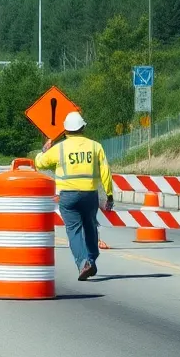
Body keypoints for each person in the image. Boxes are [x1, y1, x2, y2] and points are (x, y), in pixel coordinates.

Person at [34, 111, 113, 280]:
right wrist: (109, 194)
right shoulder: (95, 146)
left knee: (74, 230)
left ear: (66, 130)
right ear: (83, 127)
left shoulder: (60, 148)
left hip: (68, 196)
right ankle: (91, 258)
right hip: (90, 194)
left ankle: (84, 263)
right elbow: (105, 171)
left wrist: (43, 150)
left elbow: (39, 163)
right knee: (90, 226)